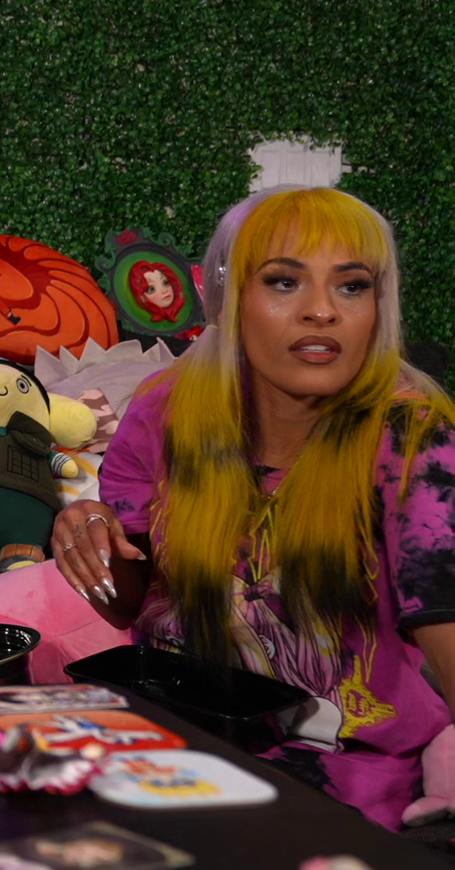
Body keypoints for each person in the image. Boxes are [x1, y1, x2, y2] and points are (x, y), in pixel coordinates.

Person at [52, 186, 455, 830]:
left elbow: (446, 620)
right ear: (228, 299)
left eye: (352, 286)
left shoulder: (412, 435)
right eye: (283, 282)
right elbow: (128, 604)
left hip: (337, 768)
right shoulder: (165, 409)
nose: (321, 310)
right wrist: (88, 535)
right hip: (171, 737)